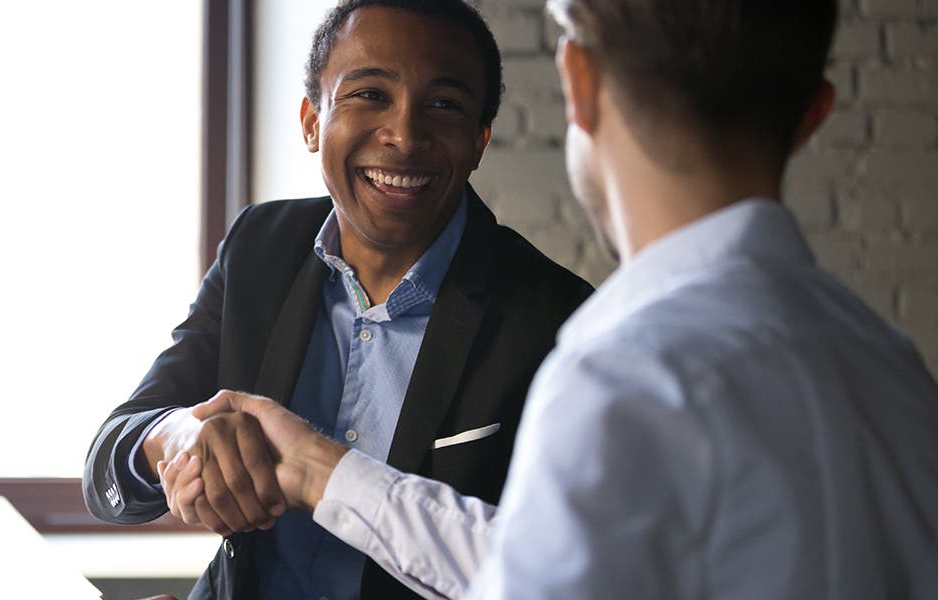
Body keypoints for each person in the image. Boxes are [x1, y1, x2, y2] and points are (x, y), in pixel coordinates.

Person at [164, 0, 938, 598]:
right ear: (815, 114)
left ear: (579, 82)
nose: (403, 135)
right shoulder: (896, 374)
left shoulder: (622, 370)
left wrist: (319, 472)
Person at [81, 1, 593, 598]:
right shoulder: (260, 248)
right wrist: (174, 438)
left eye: (444, 105)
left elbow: (561, 572)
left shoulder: (559, 320)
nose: (404, 135)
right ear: (310, 122)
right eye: (369, 94)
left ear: (480, 141)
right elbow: (107, 465)